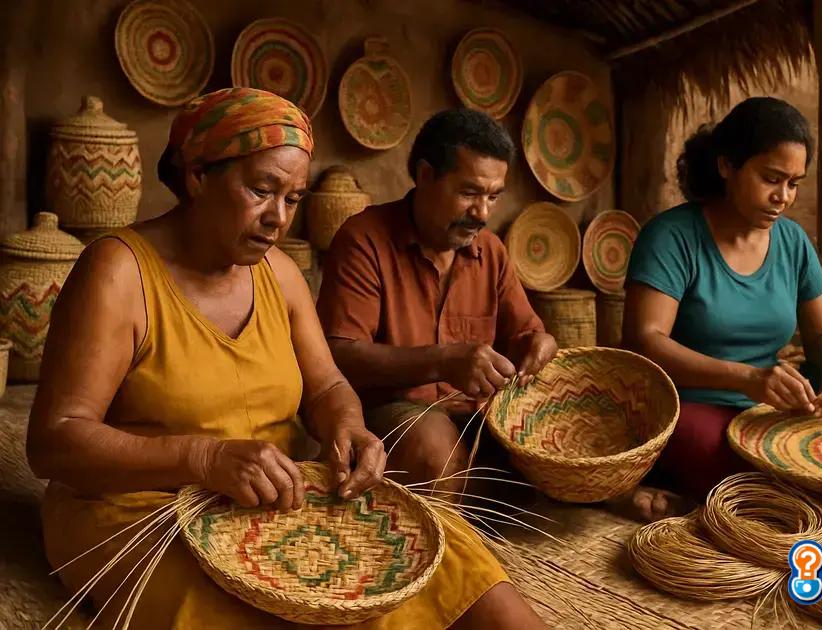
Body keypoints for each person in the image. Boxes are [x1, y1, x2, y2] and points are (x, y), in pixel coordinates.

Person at [27, 88, 545, 629]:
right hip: (141, 509)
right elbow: (53, 441)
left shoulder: (279, 274)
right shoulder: (118, 271)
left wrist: (348, 428)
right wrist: (204, 461)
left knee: (462, 572)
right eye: (261, 190)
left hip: (274, 498)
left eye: (293, 199)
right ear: (198, 176)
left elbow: (326, 386)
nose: (278, 219)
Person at [621, 96, 822, 521]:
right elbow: (645, 342)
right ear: (726, 166)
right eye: (772, 178)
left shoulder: (793, 243)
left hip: (769, 410)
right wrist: (747, 378)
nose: (784, 197)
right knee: (774, 488)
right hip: (685, 407)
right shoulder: (672, 238)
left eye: (794, 183)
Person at [316, 109, 557, 500]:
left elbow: (527, 333)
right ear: (426, 176)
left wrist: (539, 344)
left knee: (560, 435)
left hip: (479, 416)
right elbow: (339, 355)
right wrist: (444, 361)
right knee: (435, 449)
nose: (482, 212)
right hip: (388, 412)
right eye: (469, 193)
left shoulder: (491, 252)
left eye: (493, 196)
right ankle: (444, 545)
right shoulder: (364, 240)